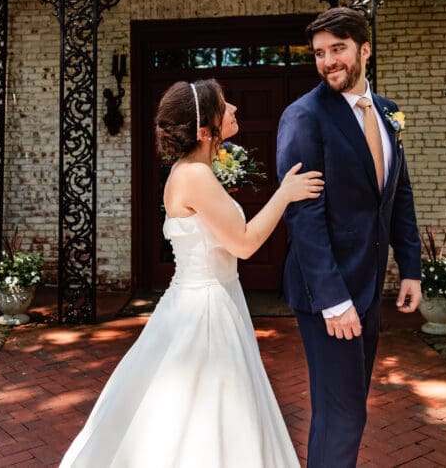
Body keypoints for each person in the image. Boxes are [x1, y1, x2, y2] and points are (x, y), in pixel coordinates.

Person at [60, 78, 323, 468]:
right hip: (206, 311)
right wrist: (284, 194)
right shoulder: (194, 176)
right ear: (204, 131)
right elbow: (244, 244)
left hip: (207, 297)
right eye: (224, 106)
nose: (233, 108)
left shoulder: (191, 171)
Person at [276, 6, 423, 468]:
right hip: (328, 293)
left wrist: (411, 269)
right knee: (342, 415)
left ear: (364, 50)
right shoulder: (304, 116)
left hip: (369, 285)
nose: (327, 62)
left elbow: (398, 195)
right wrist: (333, 300)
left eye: (337, 49)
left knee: (349, 408)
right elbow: (303, 215)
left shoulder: (388, 113)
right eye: (319, 53)